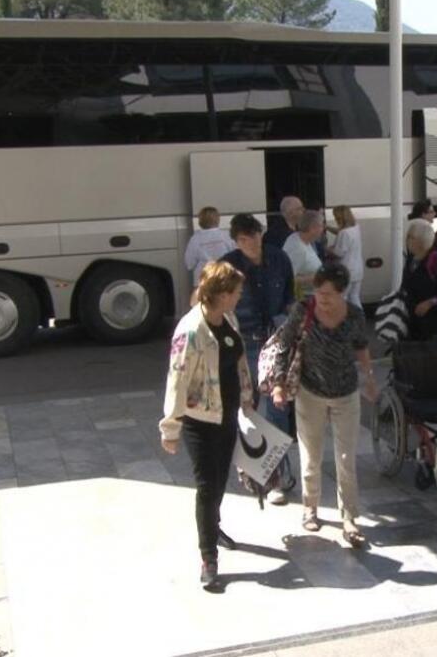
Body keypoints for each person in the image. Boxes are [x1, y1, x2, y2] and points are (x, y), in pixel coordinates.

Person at [160, 261, 254, 592]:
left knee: (219, 479)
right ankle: (208, 557)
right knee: (206, 485)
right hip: (199, 421)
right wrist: (171, 428)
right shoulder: (190, 331)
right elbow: (177, 380)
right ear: (223, 295)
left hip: (227, 415)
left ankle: (213, 526)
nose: (240, 296)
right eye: (237, 292)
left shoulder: (228, 318)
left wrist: (246, 395)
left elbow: (239, 360)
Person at [271, 263, 377, 548]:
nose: (323, 299)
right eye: (319, 292)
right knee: (311, 455)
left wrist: (368, 378)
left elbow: (361, 346)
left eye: (329, 294)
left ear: (342, 292)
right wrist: (279, 383)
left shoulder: (354, 315)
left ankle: (350, 517)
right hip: (310, 391)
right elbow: (284, 345)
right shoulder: (303, 310)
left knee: (346, 459)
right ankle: (311, 507)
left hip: (345, 392)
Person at [220, 214, 296, 505]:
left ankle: (278, 475)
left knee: (278, 406)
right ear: (236, 241)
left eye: (252, 236)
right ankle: (255, 471)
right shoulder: (228, 264)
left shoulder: (279, 259)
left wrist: (291, 321)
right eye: (242, 239)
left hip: (275, 339)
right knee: (246, 408)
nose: (249, 243)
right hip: (245, 341)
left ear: (260, 233)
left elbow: (288, 293)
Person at [401, 219, 437, 342]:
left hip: (435, 322)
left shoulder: (436, 259)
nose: (406, 240)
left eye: (410, 237)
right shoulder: (412, 259)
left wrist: (430, 302)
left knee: (434, 358)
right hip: (415, 322)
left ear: (421, 240)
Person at [184, 206, 236, 286]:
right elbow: (235, 256)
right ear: (217, 219)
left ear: (200, 220)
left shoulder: (195, 239)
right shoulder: (226, 236)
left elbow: (189, 263)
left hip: (203, 279)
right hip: (224, 277)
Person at [327, 205, 365, 307]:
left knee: (342, 297)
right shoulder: (355, 227)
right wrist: (327, 227)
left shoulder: (344, 233)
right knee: (354, 296)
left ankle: (343, 320)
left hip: (346, 270)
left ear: (340, 218)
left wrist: (327, 249)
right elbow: (340, 232)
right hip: (358, 269)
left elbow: (339, 253)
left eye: (335, 216)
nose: (334, 218)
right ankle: (360, 320)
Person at [282, 209, 325, 298]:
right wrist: (313, 278)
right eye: (321, 225)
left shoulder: (300, 238)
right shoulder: (298, 249)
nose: (323, 229)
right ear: (313, 228)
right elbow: (287, 278)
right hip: (305, 299)